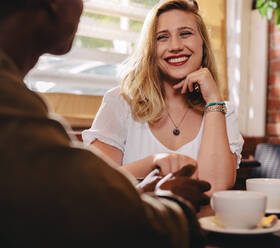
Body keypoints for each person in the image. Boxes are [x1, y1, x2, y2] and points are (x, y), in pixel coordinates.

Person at [0, 0, 211, 247]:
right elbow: (86, 205)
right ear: (55, 4)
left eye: (185, 34)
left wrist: (141, 197)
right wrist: (172, 202)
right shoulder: (11, 106)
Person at [82, 0, 244, 192]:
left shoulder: (222, 111)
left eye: (185, 34)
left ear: (203, 44)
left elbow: (215, 186)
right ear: (150, 49)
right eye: (162, 37)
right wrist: (152, 163)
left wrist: (213, 101)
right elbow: (97, 182)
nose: (175, 46)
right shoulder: (120, 102)